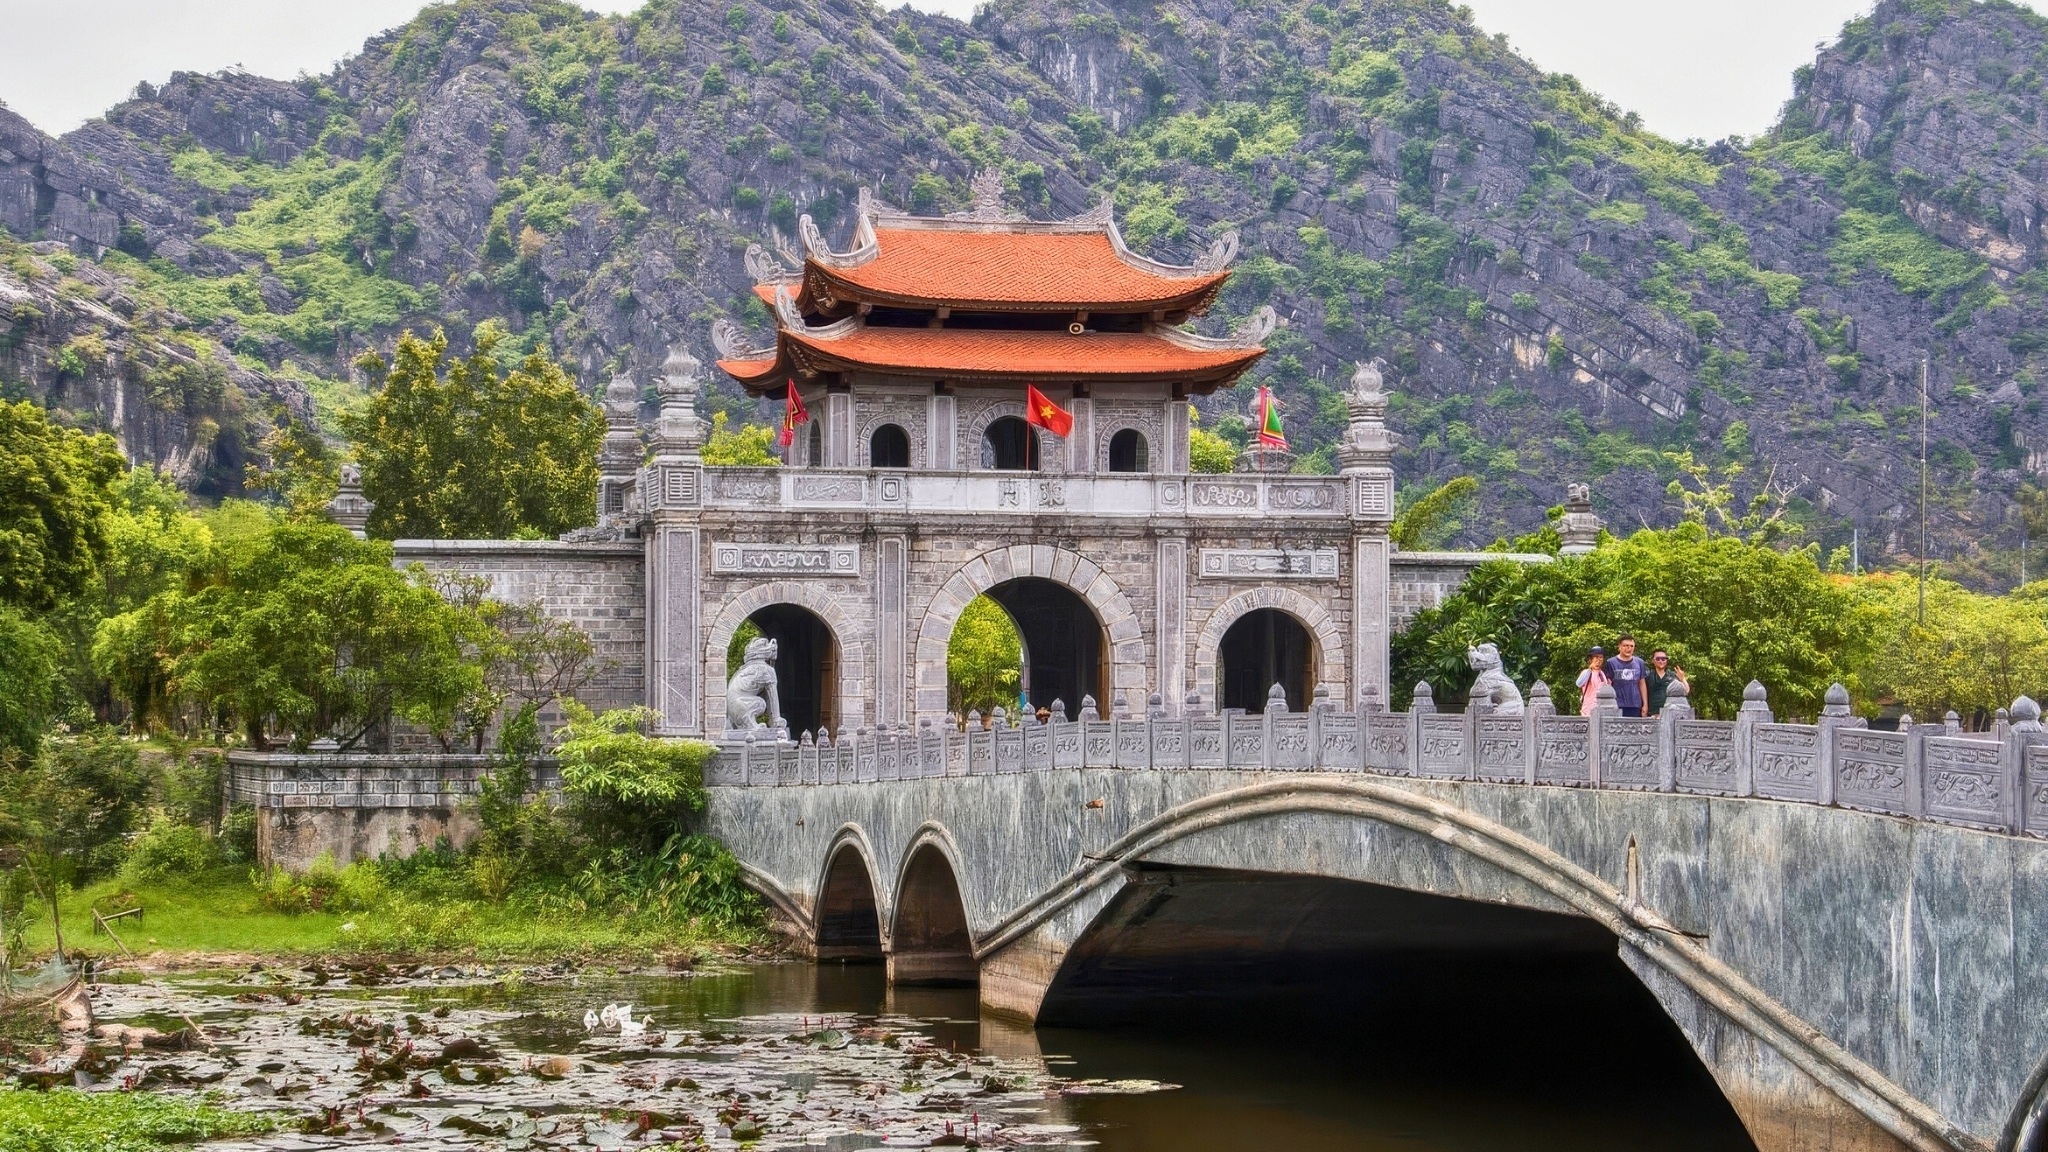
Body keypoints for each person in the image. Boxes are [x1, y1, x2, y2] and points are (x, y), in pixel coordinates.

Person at [1605, 635, 1648, 718]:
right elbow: (1608, 684)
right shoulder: (1611, 662)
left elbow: (1642, 684)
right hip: (1616, 705)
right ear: (1619, 647)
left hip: (1635, 705)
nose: (1629, 648)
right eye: (1626, 645)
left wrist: (1645, 704)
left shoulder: (1639, 662)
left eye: (1631, 646)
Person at [1646, 649, 1689, 716]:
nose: (1661, 661)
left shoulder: (1672, 675)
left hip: (1669, 713)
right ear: (1653, 660)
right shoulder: (1647, 676)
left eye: (1663, 659)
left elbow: (1686, 691)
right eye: (1658, 659)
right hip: (1652, 714)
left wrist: (1682, 679)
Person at [1576, 647, 1610, 717]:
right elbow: (1579, 683)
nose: (1598, 660)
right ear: (1591, 659)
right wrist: (1590, 668)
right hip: (1588, 710)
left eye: (1601, 657)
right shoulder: (1587, 672)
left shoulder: (1602, 673)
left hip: (1601, 709)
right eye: (1596, 657)